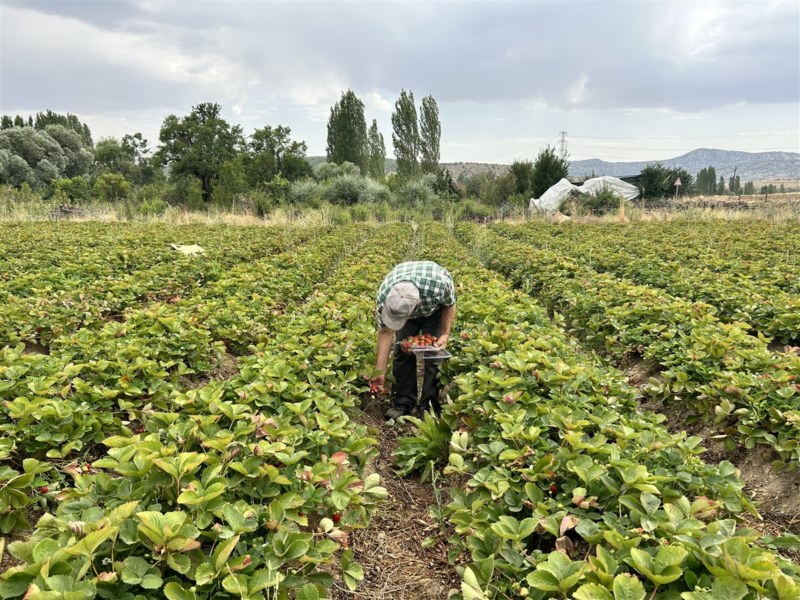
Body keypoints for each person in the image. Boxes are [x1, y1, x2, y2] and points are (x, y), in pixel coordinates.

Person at [368, 261, 456, 420]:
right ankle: (403, 402)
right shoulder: (385, 296)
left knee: (434, 355)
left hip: (434, 310)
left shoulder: (438, 285)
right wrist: (380, 372)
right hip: (404, 307)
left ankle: (430, 406)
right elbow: (386, 332)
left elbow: (449, 304)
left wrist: (445, 334)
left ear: (417, 304)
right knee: (402, 351)